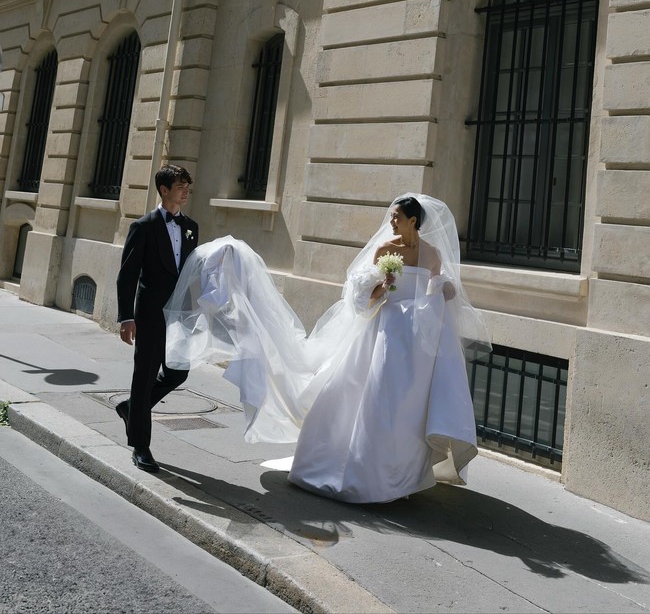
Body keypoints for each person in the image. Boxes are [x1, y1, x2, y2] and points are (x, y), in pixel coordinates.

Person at [164, 193, 491, 502]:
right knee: (372, 396)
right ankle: (363, 471)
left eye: (397, 217)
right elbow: (362, 300)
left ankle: (402, 478)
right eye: (392, 217)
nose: (391, 222)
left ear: (413, 221)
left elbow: (435, 289)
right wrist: (382, 287)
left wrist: (444, 288)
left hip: (415, 341)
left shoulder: (432, 254)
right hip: (382, 332)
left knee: (408, 407)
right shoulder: (384, 249)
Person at [116, 164, 199, 473]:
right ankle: (140, 446)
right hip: (150, 313)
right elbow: (128, 275)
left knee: (178, 372)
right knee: (145, 375)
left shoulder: (191, 227)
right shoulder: (144, 226)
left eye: (188, 186)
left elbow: (190, 272)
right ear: (164, 190)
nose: (186, 191)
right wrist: (126, 317)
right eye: (180, 186)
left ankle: (132, 408)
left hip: (180, 314)